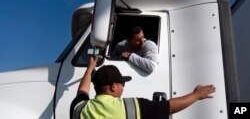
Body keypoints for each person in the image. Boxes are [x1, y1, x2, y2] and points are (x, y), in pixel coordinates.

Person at [70, 57, 216, 119]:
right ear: (113, 87)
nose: (123, 87)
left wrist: (90, 68)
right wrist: (196, 95)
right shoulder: (130, 107)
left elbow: (82, 92)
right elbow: (169, 107)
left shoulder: (79, 109)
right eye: (122, 84)